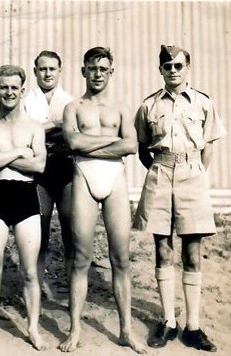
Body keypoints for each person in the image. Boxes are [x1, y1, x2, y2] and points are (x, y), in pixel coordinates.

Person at [134, 45, 225, 352]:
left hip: (192, 174)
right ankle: (168, 321)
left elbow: (209, 145)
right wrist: (162, 168)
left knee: (192, 251)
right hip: (160, 172)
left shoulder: (202, 103)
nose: (173, 70)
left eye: (178, 65)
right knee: (162, 249)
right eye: (167, 66)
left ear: (188, 68)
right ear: (160, 70)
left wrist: (194, 172)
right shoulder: (149, 105)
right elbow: (142, 147)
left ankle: (193, 326)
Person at [59, 47, 145, 353]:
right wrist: (114, 142)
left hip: (114, 179)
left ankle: (125, 330)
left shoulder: (121, 108)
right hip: (83, 175)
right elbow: (72, 141)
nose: (98, 73)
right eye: (92, 68)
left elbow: (131, 146)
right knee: (81, 258)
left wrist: (88, 145)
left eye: (103, 69)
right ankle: (75, 330)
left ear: (111, 72)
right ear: (83, 71)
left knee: (120, 258)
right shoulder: (73, 108)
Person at [0, 65, 47, 351]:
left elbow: (38, 165)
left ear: (23, 89)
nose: (9, 92)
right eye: (3, 87)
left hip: (26, 196)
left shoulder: (34, 127)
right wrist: (17, 152)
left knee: (29, 270)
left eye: (14, 87)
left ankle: (32, 328)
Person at [24, 50, 74, 295]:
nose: (47, 73)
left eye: (52, 69)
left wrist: (40, 131)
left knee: (69, 227)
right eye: (42, 69)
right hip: (39, 171)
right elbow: (25, 133)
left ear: (59, 71)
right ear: (35, 72)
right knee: (38, 230)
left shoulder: (69, 100)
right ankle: (36, 288)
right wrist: (54, 125)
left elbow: (72, 134)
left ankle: (73, 286)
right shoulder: (27, 100)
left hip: (64, 169)